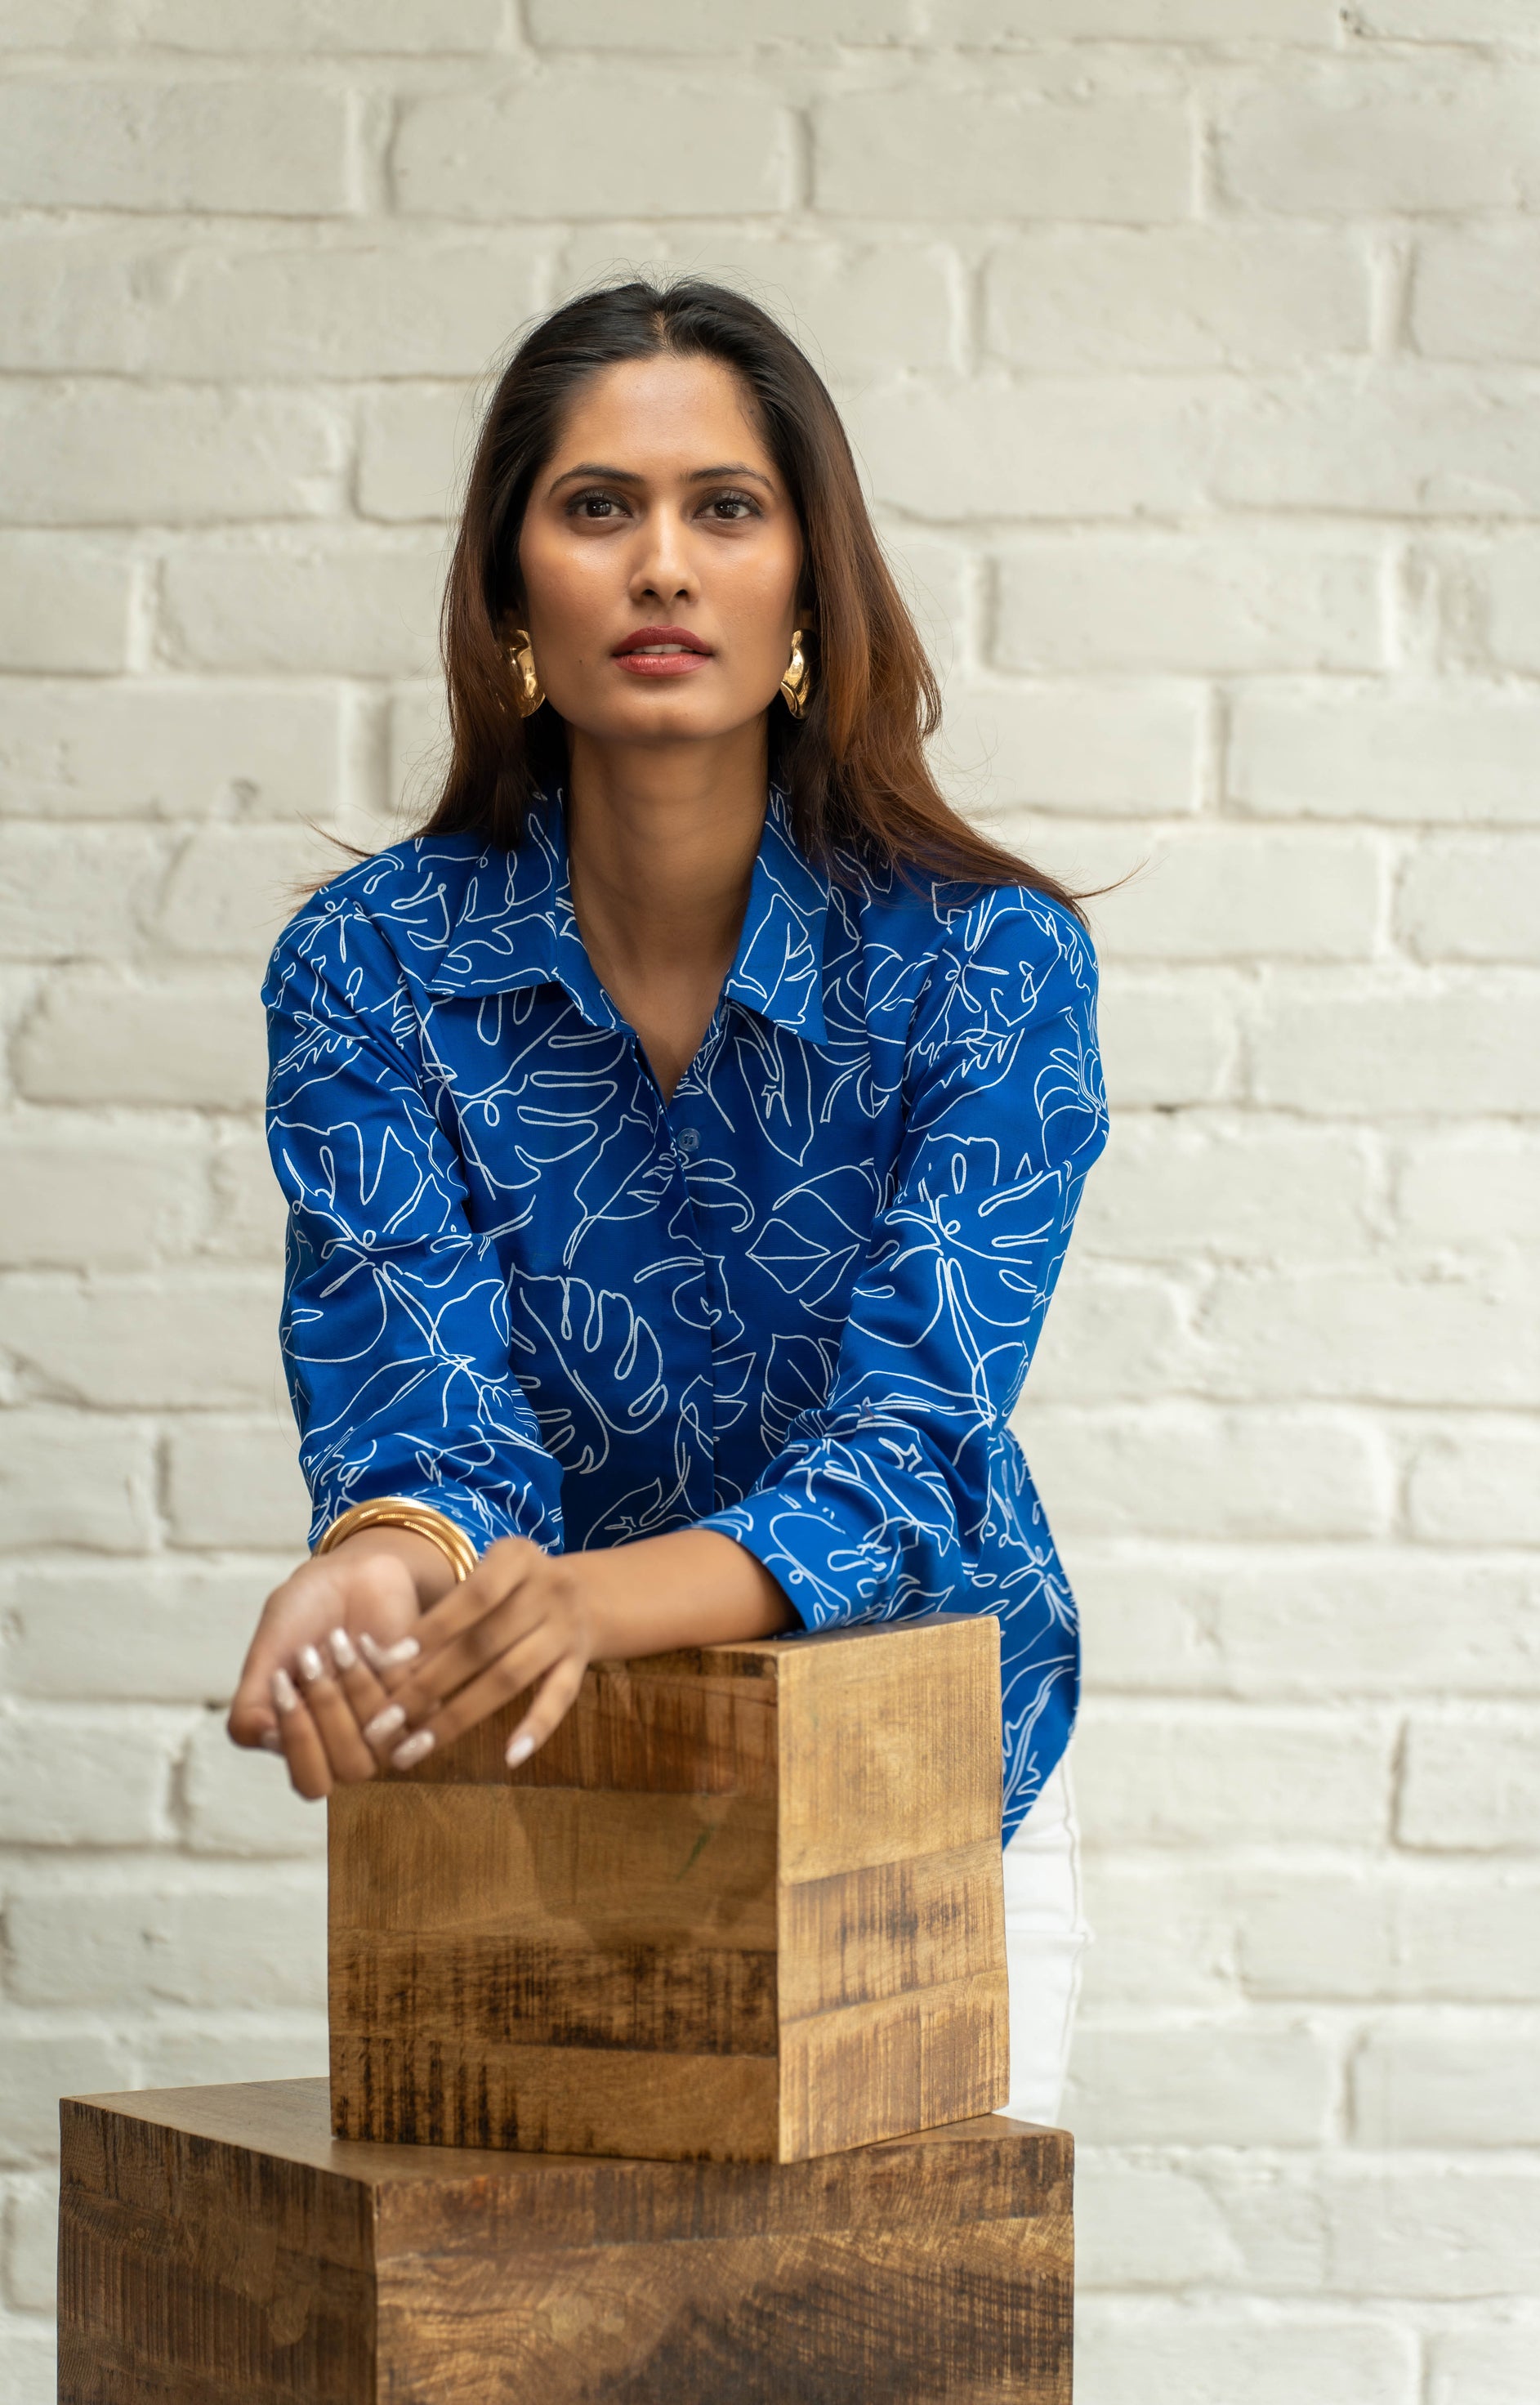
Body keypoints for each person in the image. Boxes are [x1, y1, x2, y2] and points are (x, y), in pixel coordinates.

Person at [226, 279, 1107, 2125]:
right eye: (597, 506)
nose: (662, 566)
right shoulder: (366, 966)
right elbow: (425, 1400)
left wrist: (590, 1600)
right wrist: (373, 1570)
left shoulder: (988, 961)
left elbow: (914, 1445)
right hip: (545, 1784)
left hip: (923, 1786)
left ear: (807, 585)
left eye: (726, 507)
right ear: (507, 591)